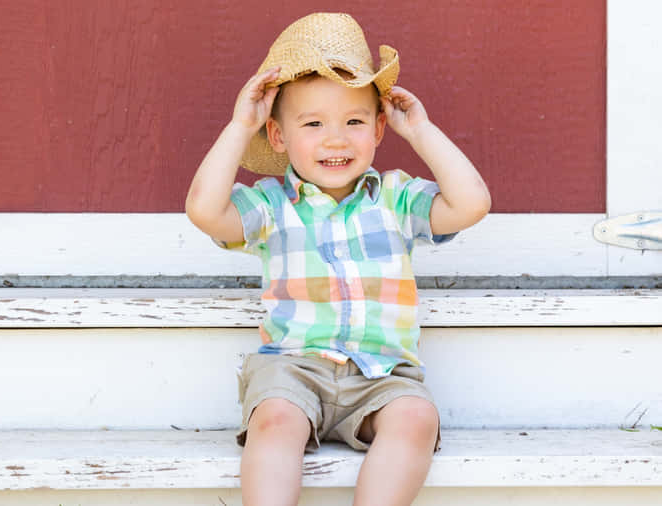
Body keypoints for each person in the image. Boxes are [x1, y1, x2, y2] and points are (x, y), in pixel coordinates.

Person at [185, 12, 491, 506]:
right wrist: (241, 126)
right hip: (293, 367)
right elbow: (204, 210)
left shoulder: (395, 199)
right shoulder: (270, 205)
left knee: (416, 418)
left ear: (378, 131)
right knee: (276, 419)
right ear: (279, 138)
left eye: (354, 121)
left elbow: (471, 203)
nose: (336, 138)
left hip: (382, 373)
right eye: (313, 124)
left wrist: (423, 132)